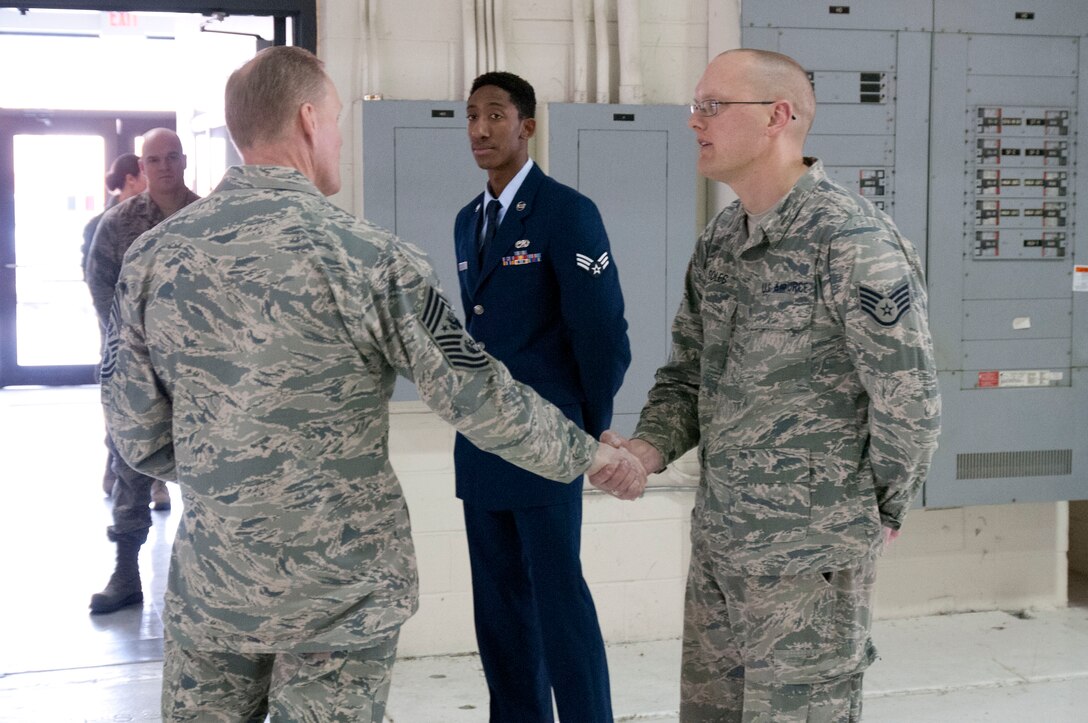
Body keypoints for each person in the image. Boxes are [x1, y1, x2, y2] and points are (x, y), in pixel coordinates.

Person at [99, 46, 645, 722]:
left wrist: (234, 476)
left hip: (216, 583)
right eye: (333, 122)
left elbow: (134, 431)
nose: (337, 138)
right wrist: (590, 452)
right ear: (306, 120)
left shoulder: (150, 258)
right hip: (340, 593)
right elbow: (473, 390)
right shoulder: (370, 260)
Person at [599, 49, 941, 721]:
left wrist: (878, 511)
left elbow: (910, 401)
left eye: (713, 106)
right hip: (722, 548)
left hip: (807, 559)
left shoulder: (850, 241)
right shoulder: (723, 240)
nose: (695, 121)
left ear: (777, 117)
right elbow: (688, 373)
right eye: (695, 106)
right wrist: (646, 450)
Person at [453, 70, 630, 722]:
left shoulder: (566, 213)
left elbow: (603, 334)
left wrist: (586, 432)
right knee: (499, 617)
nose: (479, 128)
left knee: (560, 610)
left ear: (527, 125)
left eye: (495, 114)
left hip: (548, 444)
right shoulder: (467, 221)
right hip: (480, 449)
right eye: (471, 115)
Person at [86, 128, 200, 614]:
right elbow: (102, 288)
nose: (164, 167)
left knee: (207, 474)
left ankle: (202, 581)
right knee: (130, 468)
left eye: (172, 157)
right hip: (137, 370)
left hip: (199, 370)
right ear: (143, 165)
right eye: (154, 160)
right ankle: (125, 572)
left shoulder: (207, 218)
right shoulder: (118, 224)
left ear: (184, 160)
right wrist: (129, 349)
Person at [81, 152, 147, 496]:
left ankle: (155, 485)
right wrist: (117, 329)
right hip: (115, 330)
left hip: (153, 329)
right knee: (119, 402)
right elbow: (95, 280)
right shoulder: (100, 224)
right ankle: (115, 468)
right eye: (145, 169)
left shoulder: (156, 216)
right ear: (132, 179)